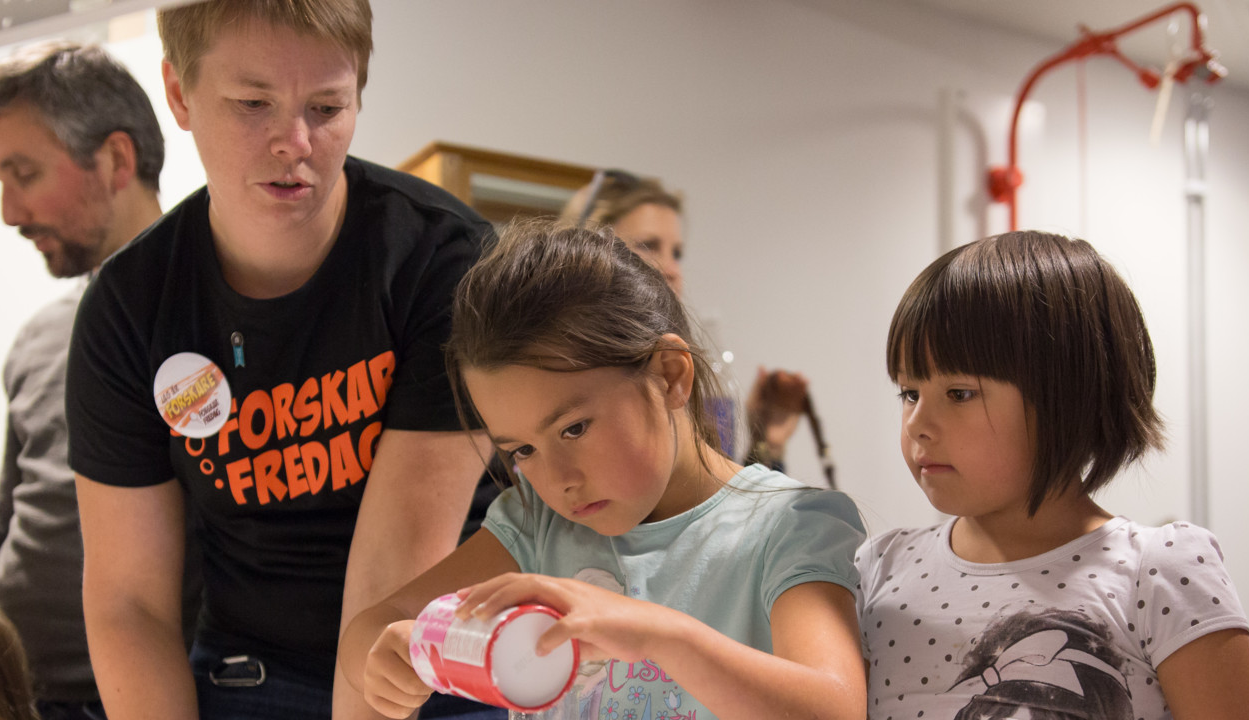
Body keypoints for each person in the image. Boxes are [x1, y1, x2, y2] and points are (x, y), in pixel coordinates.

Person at [63, 2, 495, 718]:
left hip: (430, 656)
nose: (293, 142)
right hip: (248, 670)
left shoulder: (445, 262)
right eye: (251, 104)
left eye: (327, 107)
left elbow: (396, 579)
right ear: (179, 95)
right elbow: (128, 602)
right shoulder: (128, 306)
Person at [338, 220, 869, 720]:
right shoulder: (533, 526)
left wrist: (658, 634)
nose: (557, 480)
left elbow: (836, 708)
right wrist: (395, 653)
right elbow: (372, 627)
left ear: (670, 374)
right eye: (522, 450)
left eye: (573, 430)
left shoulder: (792, 524)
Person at [857, 230, 1249, 719]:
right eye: (909, 393)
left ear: (1067, 398)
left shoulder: (1156, 570)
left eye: (959, 393)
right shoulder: (880, 568)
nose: (917, 425)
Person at [0, 41, 194, 720]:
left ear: (115, 159)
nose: (10, 212)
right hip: (23, 690)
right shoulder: (36, 337)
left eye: (22, 172)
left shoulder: (217, 314)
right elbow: (12, 513)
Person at [561, 170, 817, 473]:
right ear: (588, 255)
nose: (671, 269)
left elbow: (718, 508)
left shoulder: (677, 363)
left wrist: (766, 442)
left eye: (677, 253)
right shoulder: (561, 371)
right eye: (648, 245)